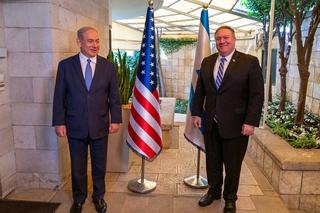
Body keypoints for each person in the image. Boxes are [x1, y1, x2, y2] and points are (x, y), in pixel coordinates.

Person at [191, 26, 264, 213]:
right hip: (210, 123)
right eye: (218, 38)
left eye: (226, 38)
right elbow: (200, 91)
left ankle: (230, 198)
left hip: (237, 126)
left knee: (232, 166)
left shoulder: (249, 62)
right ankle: (214, 191)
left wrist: (250, 122)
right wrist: (196, 113)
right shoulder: (207, 62)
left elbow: (256, 95)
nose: (222, 41)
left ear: (234, 39)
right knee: (212, 162)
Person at [52, 26, 122, 213]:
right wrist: (59, 122)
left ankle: (98, 197)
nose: (95, 45)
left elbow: (114, 96)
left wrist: (115, 119)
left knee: (99, 165)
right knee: (78, 166)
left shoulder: (108, 66)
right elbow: (59, 96)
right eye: (90, 41)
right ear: (79, 42)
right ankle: (79, 199)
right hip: (75, 125)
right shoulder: (66, 66)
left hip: (100, 124)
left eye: (97, 41)